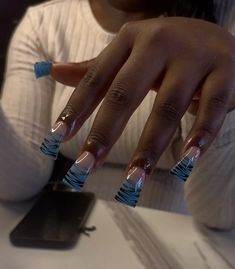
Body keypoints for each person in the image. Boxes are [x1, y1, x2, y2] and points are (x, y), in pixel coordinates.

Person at [1, 0, 235, 230]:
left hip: (188, 243)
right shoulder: (44, 23)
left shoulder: (226, 24)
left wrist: (223, 107)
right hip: (73, 234)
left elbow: (219, 214)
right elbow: (19, 181)